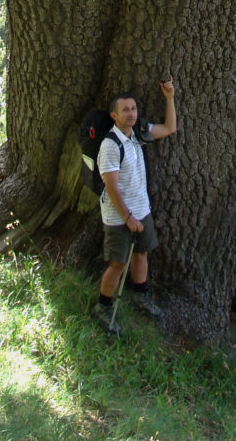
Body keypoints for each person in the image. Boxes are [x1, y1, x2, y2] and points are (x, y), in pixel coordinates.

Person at [91, 76, 177, 335]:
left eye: (133, 109)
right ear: (114, 116)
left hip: (142, 209)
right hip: (119, 216)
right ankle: (103, 306)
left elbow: (170, 128)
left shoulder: (138, 133)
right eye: (125, 110)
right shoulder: (110, 144)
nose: (131, 113)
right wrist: (127, 217)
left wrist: (169, 98)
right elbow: (112, 186)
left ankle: (141, 295)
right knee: (118, 263)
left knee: (142, 253)